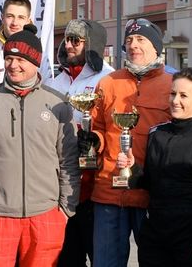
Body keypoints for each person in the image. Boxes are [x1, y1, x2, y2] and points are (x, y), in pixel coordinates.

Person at [0, 24, 80, 267]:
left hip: (45, 214)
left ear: (35, 62)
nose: (13, 65)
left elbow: (68, 160)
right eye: (9, 58)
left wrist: (66, 209)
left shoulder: (57, 103)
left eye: (21, 59)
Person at [117, 68, 192, 266]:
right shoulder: (157, 133)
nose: (175, 101)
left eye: (184, 95)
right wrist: (131, 169)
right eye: (173, 93)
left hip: (188, 238)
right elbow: (150, 182)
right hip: (154, 236)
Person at [88, 17, 172, 267]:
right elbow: (98, 128)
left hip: (151, 194)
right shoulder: (108, 82)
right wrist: (93, 140)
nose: (134, 45)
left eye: (141, 39)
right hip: (109, 193)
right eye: (129, 40)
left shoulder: (172, 85)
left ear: (156, 46)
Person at [44, 19, 114, 267]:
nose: (69, 46)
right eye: (67, 39)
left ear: (92, 44)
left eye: (76, 40)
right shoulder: (55, 81)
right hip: (60, 184)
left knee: (100, 257)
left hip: (95, 186)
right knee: (66, 258)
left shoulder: (108, 79)